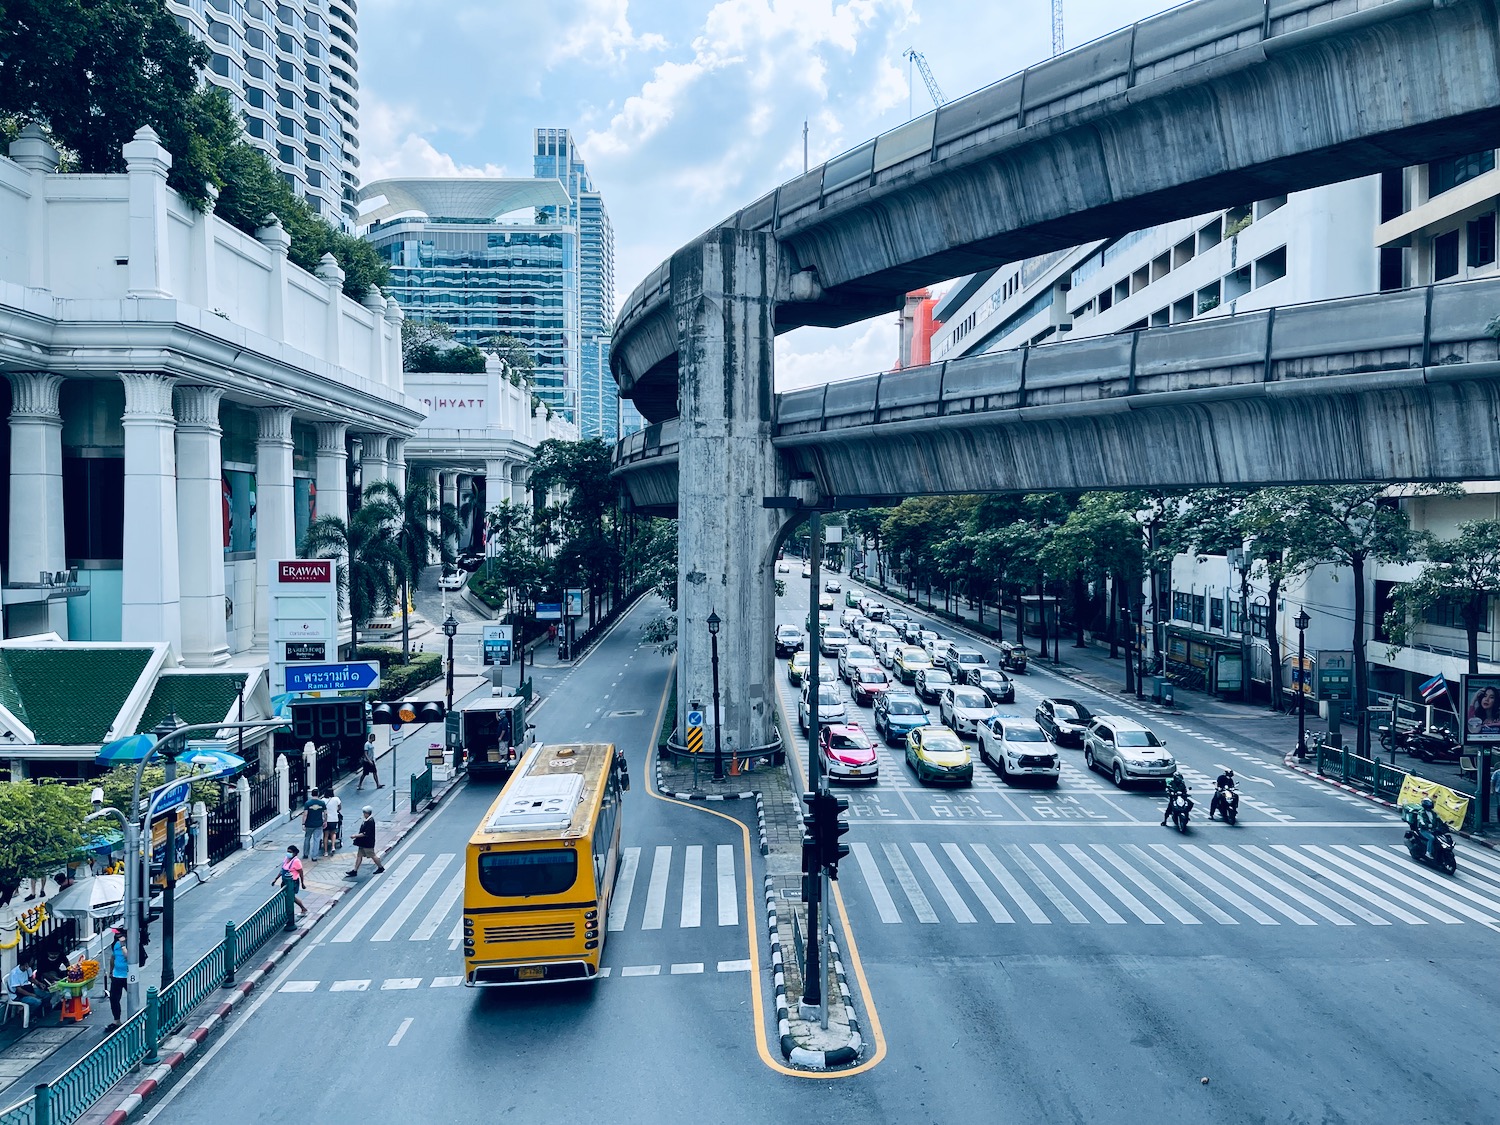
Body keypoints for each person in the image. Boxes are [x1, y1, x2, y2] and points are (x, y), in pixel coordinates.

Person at [345, 807, 385, 879]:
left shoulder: (370, 821)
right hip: (363, 842)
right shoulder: (366, 820)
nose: (363, 814)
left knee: (372, 855)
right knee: (359, 856)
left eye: (364, 813)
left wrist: (355, 836)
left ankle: (380, 867)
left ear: (367, 813)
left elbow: (365, 833)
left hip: (367, 843)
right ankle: (355, 870)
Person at [104, 928, 129, 1031]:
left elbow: (129, 957)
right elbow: (113, 958)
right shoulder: (115, 944)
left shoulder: (130, 944)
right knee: (114, 998)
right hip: (116, 975)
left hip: (128, 976)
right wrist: (111, 971)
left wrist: (123, 945)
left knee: (132, 997)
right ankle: (116, 1020)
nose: (118, 938)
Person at [273, 845, 308, 917]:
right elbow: (282, 870)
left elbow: (301, 872)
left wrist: (302, 883)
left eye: (290, 852)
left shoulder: (296, 861)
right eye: (287, 851)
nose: (288, 853)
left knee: (291, 897)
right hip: (285, 882)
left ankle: (302, 909)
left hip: (292, 882)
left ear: (295, 853)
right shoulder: (286, 859)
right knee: (288, 897)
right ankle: (289, 911)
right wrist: (276, 879)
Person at [301, 791, 326, 860]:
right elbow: (325, 813)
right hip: (318, 824)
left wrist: (303, 823)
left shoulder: (308, 803)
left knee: (307, 838)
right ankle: (314, 856)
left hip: (309, 824)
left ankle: (306, 854)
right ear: (318, 794)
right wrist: (325, 821)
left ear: (312, 794)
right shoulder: (322, 803)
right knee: (317, 840)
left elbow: (305, 814)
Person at [321, 786, 342, 855]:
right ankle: (333, 846)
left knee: (325, 835)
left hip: (326, 820)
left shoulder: (323, 800)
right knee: (333, 833)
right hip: (334, 818)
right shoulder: (336, 799)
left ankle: (326, 851)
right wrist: (335, 810)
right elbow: (339, 807)